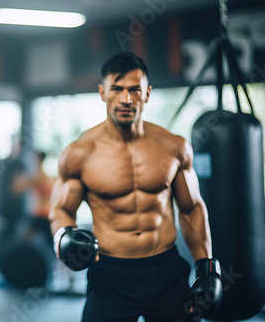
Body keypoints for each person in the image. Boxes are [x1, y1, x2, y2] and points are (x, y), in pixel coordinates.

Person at [49, 51, 223, 322]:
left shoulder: (173, 147)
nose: (126, 99)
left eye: (134, 90)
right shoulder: (79, 154)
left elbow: (191, 209)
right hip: (110, 275)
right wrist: (63, 235)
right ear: (102, 92)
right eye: (116, 89)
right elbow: (60, 209)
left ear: (148, 93)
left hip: (166, 270)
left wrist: (207, 267)